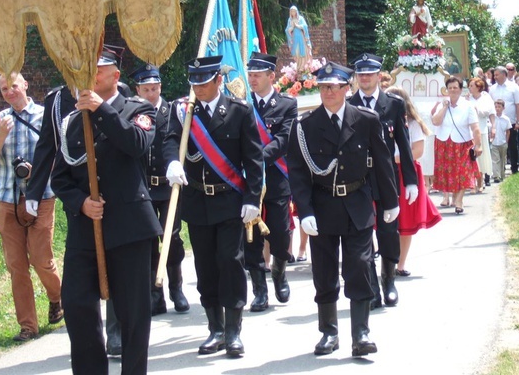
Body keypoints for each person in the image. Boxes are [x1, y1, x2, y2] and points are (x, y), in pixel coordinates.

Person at [51, 46, 162, 374]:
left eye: (98, 69)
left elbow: (136, 144)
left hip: (129, 227)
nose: (90, 74)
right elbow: (60, 177)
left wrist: (101, 110)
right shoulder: (73, 120)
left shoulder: (138, 109)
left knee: (133, 315)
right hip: (86, 228)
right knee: (76, 306)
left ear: (115, 75)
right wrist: (80, 203)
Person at [287, 61, 399, 357]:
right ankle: (329, 332)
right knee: (324, 272)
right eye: (323, 87)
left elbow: (383, 162)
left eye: (334, 87)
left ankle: (361, 333)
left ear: (346, 89)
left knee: (360, 267)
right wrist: (304, 211)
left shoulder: (365, 119)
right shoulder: (305, 126)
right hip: (322, 206)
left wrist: (390, 201)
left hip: (357, 203)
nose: (328, 93)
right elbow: (298, 172)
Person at [164, 56, 263, 357]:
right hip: (197, 201)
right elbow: (169, 138)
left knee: (231, 261)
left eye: (204, 83)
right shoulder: (182, 112)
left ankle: (233, 330)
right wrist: (170, 161)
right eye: (194, 83)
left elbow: (254, 159)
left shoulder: (239, 111)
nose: (199, 89)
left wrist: (252, 199)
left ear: (218, 81)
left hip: (229, 200)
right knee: (205, 264)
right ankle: (215, 329)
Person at [0, 72, 63, 343]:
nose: (9, 92)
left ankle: (57, 297)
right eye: (4, 88)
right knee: (16, 266)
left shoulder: (45, 116)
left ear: (25, 85)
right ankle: (28, 326)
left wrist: (35, 171)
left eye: (13, 86)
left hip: (41, 198)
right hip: (8, 199)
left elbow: (60, 157)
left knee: (41, 259)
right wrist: (2, 135)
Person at [348, 53, 418, 310]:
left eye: (369, 74)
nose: (364, 79)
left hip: (386, 177)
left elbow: (403, 143)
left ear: (379, 76)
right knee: (362, 233)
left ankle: (388, 281)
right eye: (361, 74)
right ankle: (372, 288)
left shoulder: (394, 104)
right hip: (357, 180)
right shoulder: (348, 104)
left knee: (388, 232)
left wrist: (410, 180)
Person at [129, 64, 189, 316]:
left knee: (171, 238)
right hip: (144, 187)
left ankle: (176, 287)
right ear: (137, 90)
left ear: (160, 87)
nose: (151, 94)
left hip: (168, 188)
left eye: (154, 89)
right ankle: (156, 292)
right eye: (146, 89)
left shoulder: (174, 111)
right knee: (149, 241)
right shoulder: (134, 113)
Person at [244, 52, 298, 312]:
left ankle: (279, 273)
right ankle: (259, 289)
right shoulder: (242, 105)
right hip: (249, 182)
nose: (252, 79)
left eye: (257, 75)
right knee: (251, 235)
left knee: (280, 230)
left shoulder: (287, 105)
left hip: (277, 179)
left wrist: (255, 160)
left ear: (271, 76)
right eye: (250, 75)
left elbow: (283, 140)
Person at [385, 86, 441, 276]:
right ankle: (386, 260)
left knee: (405, 220)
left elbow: (417, 151)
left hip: (405, 172)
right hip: (385, 171)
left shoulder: (414, 124)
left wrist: (390, 159)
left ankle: (400, 264)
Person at [431, 75, 482, 214]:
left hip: (463, 144)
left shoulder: (468, 106)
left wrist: (478, 145)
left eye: (455, 88)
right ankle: (451, 196)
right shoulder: (443, 104)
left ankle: (459, 200)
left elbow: (475, 128)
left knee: (463, 173)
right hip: (444, 143)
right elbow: (435, 122)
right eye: (450, 88)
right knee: (448, 173)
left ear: (460, 90)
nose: (452, 90)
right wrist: (444, 108)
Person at [489, 66, 519, 174]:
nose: (495, 77)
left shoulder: (514, 87)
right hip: (496, 123)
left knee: (512, 145)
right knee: (497, 146)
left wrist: (518, 121)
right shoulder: (492, 89)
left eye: (497, 75)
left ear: (504, 74)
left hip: (510, 122)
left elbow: (518, 105)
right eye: (494, 75)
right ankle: (499, 169)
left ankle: (514, 168)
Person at [467, 77, 496, 192]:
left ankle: (480, 182)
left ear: (478, 87)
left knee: (481, 158)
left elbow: (489, 112)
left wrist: (493, 128)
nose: (469, 88)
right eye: (469, 86)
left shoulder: (486, 98)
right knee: (471, 158)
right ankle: (473, 183)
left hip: (482, 130)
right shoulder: (468, 99)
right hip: (469, 132)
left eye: (472, 86)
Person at [285, 6, 312, 75]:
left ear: (296, 12)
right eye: (291, 11)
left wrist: (297, 25)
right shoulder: (289, 20)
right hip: (294, 38)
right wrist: (292, 27)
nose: (293, 13)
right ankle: (299, 67)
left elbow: (305, 26)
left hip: (301, 37)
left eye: (294, 11)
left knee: (302, 52)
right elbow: (287, 30)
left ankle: (302, 67)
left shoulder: (301, 19)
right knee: (296, 52)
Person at [490, 100, 511, 183]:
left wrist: (506, 141)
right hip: (494, 142)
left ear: (503, 108)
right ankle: (496, 176)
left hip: (503, 142)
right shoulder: (492, 118)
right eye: (496, 107)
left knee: (502, 160)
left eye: (499, 107)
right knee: (495, 160)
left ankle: (502, 175)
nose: (497, 109)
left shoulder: (506, 119)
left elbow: (508, 131)